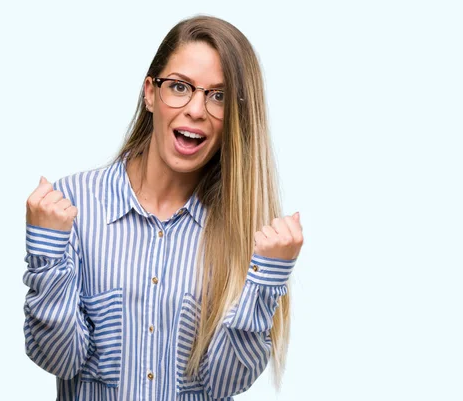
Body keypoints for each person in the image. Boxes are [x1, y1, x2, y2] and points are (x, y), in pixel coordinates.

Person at [23, 15, 304, 401]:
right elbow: (60, 358)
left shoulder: (247, 235)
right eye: (179, 87)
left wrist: (267, 277)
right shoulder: (73, 206)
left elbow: (224, 383)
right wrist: (46, 252)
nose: (196, 109)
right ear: (151, 93)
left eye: (219, 96)